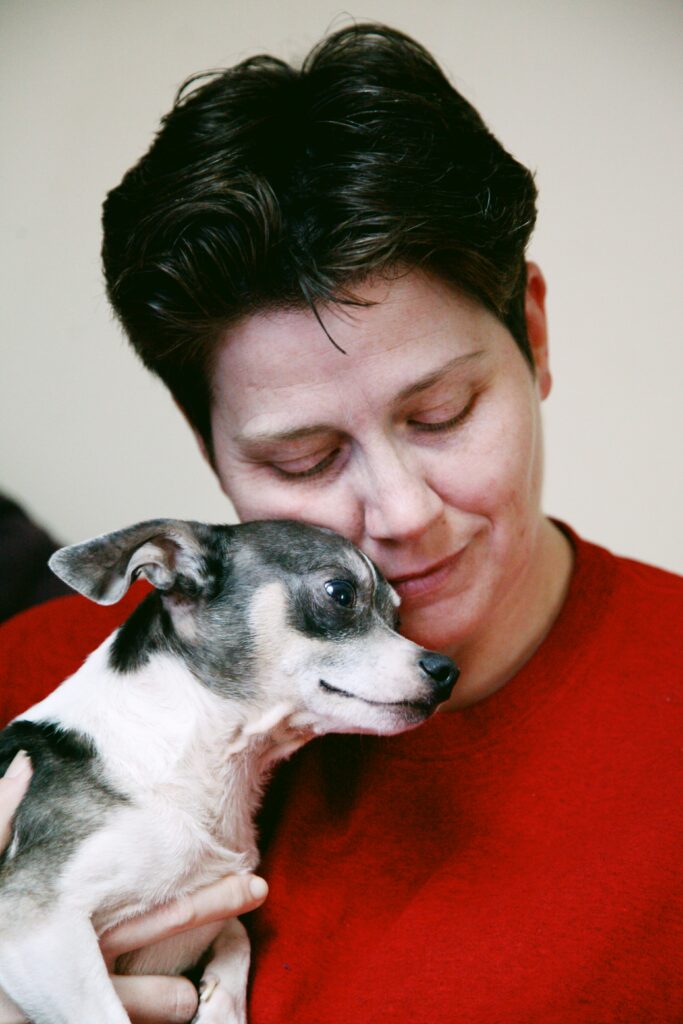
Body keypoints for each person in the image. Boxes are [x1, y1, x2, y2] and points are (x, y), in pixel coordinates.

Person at [1, 22, 681, 1024]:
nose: (401, 514)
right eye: (303, 459)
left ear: (530, 335)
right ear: (209, 452)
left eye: (441, 413)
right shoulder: (25, 690)